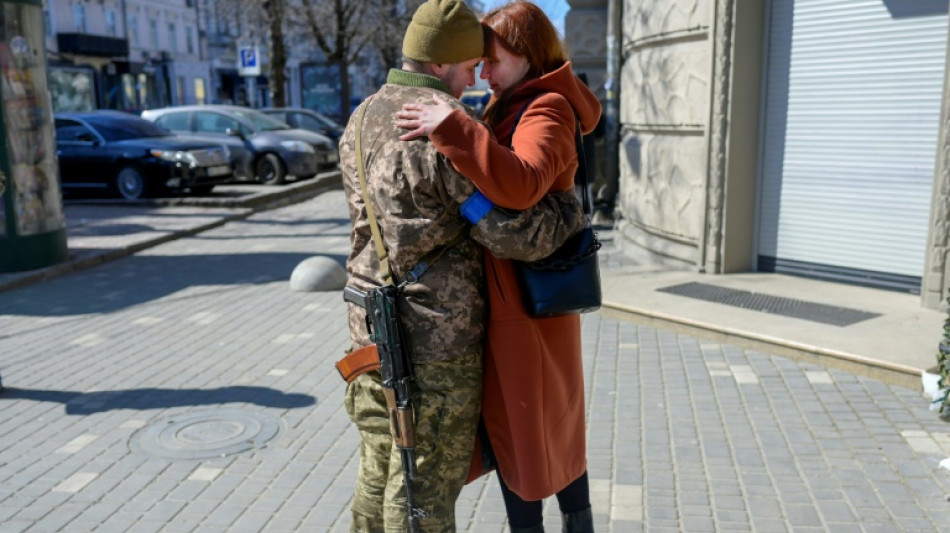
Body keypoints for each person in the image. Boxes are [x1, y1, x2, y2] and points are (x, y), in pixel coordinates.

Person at [338, 0, 586, 531]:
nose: (478, 74)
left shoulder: (362, 116)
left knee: (378, 469)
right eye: (472, 63)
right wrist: (568, 208)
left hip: (366, 331)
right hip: (434, 344)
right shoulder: (438, 128)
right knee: (421, 489)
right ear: (442, 63)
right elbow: (518, 235)